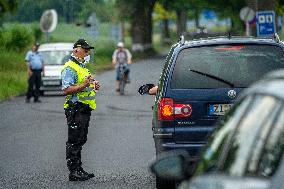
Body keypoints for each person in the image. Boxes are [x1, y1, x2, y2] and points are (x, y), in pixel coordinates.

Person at [61, 39, 100, 181]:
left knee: (80, 139)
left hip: (83, 109)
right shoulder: (70, 67)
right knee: (74, 140)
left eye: (88, 50)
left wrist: (93, 85)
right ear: (76, 50)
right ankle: (74, 171)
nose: (87, 52)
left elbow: (85, 84)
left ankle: (78, 169)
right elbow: (66, 90)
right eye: (85, 49)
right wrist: (84, 85)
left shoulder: (82, 66)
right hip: (75, 108)